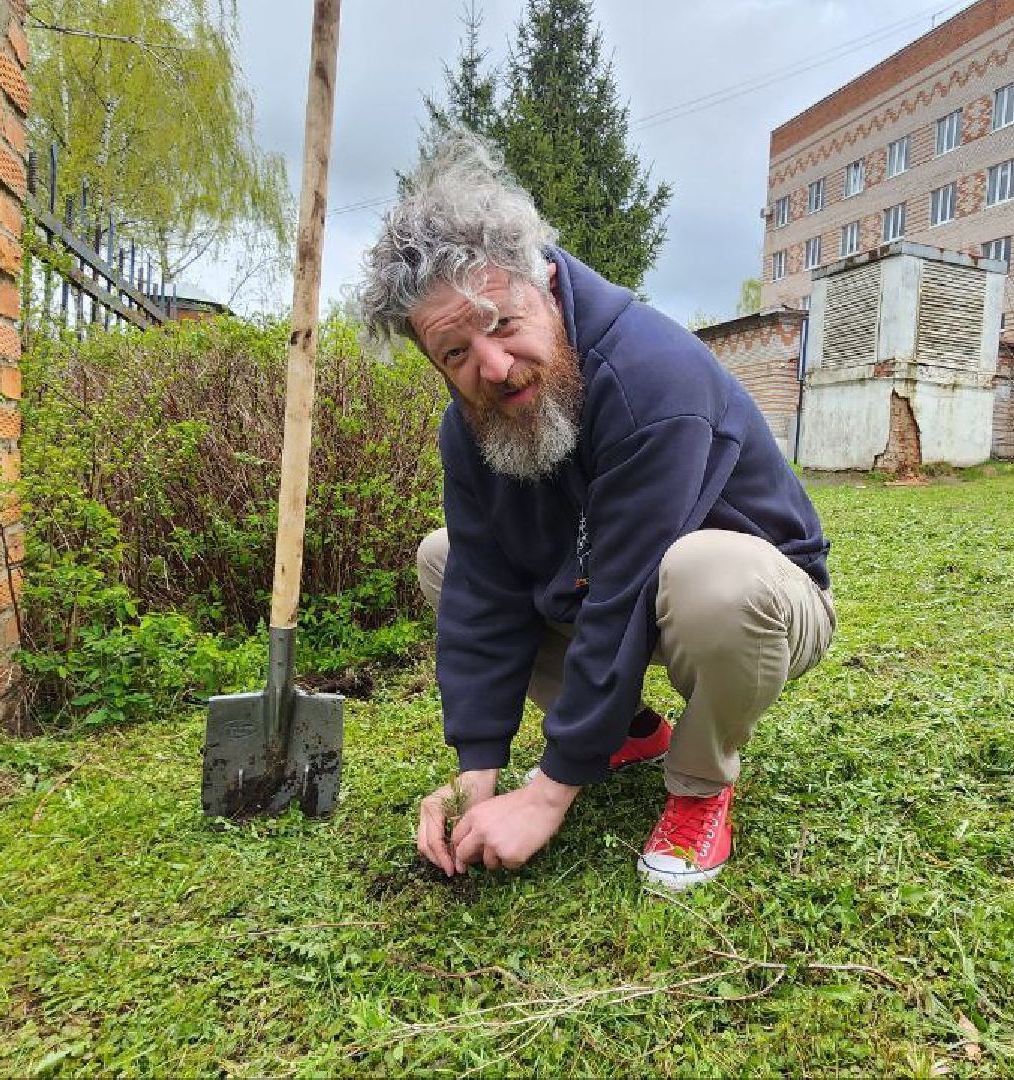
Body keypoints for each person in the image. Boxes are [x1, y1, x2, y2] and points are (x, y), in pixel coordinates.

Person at [356, 131, 834, 889]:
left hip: (757, 600)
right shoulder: (469, 422)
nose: (493, 368)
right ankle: (630, 735)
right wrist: (475, 770)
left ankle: (700, 786)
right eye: (454, 354)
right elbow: (481, 591)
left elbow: (625, 589)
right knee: (443, 556)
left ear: (544, 282)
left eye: (503, 324)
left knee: (709, 573)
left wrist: (547, 795)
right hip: (611, 585)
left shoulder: (653, 378)